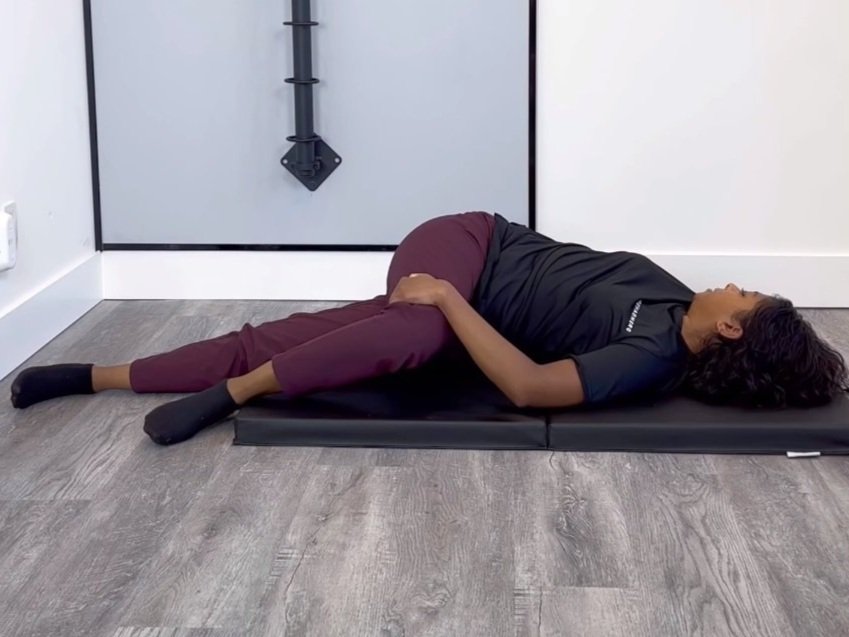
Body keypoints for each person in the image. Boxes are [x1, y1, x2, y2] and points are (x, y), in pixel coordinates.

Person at [9, 211, 848, 445]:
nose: (731, 282)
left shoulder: (646, 359)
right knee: (407, 335)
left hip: (453, 289)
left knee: (344, 336)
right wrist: (449, 292)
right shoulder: (672, 299)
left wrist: (449, 302)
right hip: (466, 239)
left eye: (744, 292)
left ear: (730, 329)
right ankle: (233, 390)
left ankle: (95, 375)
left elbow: (527, 389)